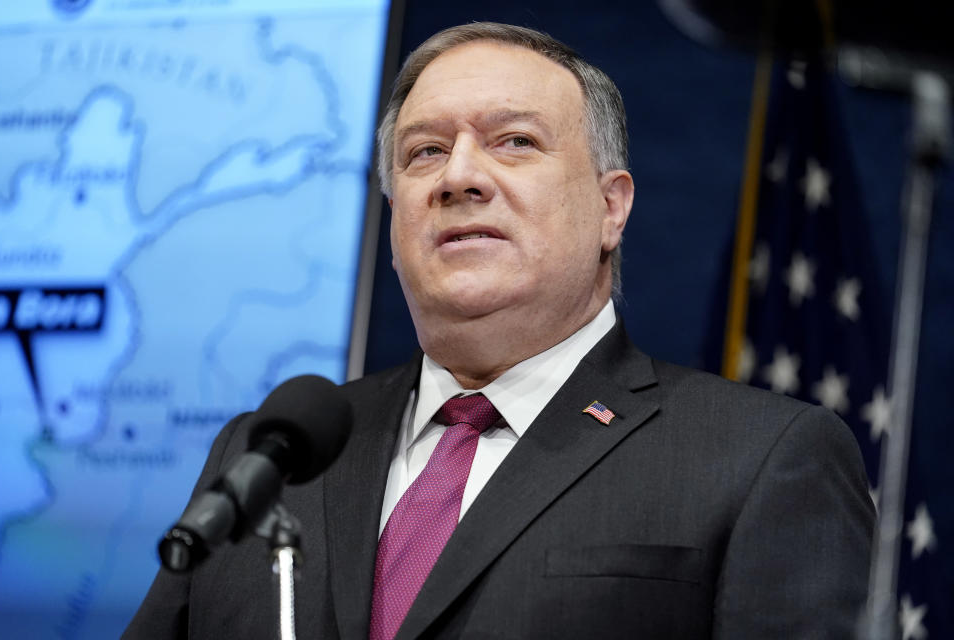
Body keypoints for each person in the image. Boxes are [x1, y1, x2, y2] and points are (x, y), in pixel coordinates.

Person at [124, 22, 874, 639]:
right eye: (424, 152)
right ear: (394, 219)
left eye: (514, 141)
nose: (458, 176)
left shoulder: (761, 459)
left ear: (611, 208)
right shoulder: (269, 454)